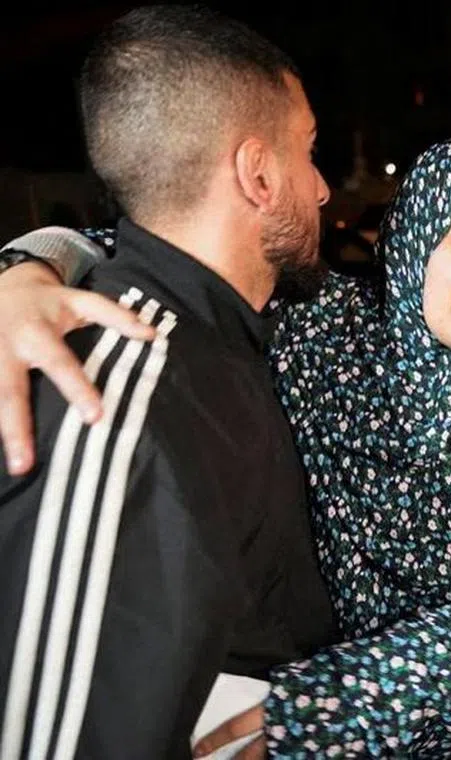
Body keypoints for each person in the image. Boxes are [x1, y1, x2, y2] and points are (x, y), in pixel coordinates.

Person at [0, 138, 451, 756]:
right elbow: (144, 252)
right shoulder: (322, 325)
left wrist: (340, 702)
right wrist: (24, 272)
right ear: (414, 236)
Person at [0, 6, 338, 758]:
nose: (320, 189)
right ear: (257, 173)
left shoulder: (225, 331)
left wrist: (23, 261)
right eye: (309, 150)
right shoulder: (114, 402)